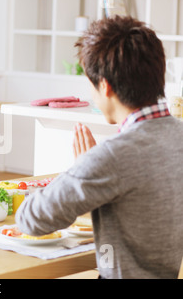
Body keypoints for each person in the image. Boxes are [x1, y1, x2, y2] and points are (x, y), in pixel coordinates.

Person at [16, 16, 183, 279]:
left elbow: (32, 219)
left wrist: (83, 168)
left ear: (104, 86)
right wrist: (89, 170)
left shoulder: (113, 157)